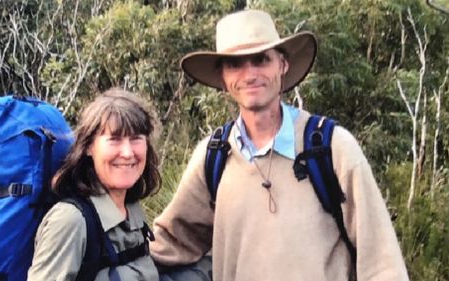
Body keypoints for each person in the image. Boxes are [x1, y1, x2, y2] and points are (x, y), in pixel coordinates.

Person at [150, 9, 409, 281]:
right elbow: (171, 243)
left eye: (261, 59)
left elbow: (382, 262)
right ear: (223, 79)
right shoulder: (213, 157)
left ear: (282, 65)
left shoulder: (330, 148)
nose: (249, 74)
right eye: (235, 64)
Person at [28, 88, 161, 281]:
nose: (127, 152)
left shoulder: (131, 211)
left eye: (136, 139)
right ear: (89, 147)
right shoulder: (70, 221)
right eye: (114, 139)